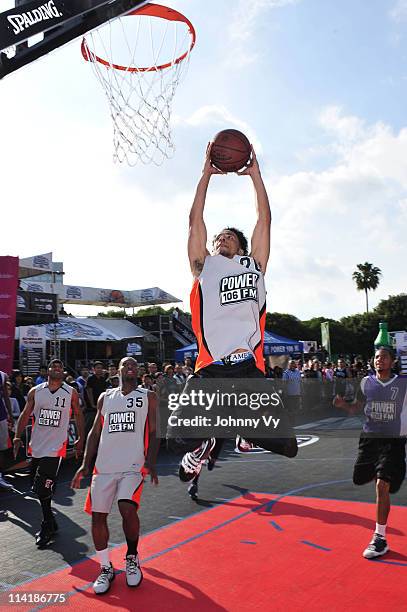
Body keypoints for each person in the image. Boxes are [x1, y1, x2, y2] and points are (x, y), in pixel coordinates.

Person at [167, 142, 297, 498]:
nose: (220, 238)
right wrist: (206, 173)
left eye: (228, 236)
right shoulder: (203, 267)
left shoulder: (255, 265)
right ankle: (203, 444)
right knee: (179, 432)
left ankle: (242, 432)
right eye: (217, 237)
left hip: (247, 369)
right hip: (211, 367)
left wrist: (255, 175)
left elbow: (264, 221)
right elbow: (195, 221)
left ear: (240, 246)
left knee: (289, 447)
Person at [71, 357, 159, 595]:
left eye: (134, 365)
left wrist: (151, 461)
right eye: (126, 365)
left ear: (138, 371)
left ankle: (132, 557)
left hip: (132, 465)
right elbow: (94, 432)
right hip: (104, 467)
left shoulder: (147, 396)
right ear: (118, 370)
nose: (131, 367)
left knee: (126, 508)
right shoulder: (105, 397)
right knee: (98, 517)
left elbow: (153, 430)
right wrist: (84, 464)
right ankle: (105, 567)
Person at [334, 347, 407, 559]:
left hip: (393, 441)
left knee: (381, 485)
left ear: (392, 361)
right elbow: (355, 408)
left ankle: (379, 537)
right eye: (376, 357)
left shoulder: (402, 383)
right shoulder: (366, 382)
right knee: (360, 478)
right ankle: (390, 473)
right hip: (369, 439)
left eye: (384, 357)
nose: (379, 360)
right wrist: (343, 406)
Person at [13, 359, 85, 547]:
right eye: (53, 366)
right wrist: (17, 436)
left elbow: (78, 414)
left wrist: (80, 438)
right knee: (38, 488)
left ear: (63, 372)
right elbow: (25, 414)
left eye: (60, 366)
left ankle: (46, 526)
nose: (57, 369)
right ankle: (51, 521)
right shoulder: (36, 391)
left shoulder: (71, 392)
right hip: (37, 446)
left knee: (43, 487)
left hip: (56, 447)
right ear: (47, 371)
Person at [84, 362, 108, 438]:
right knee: (89, 427)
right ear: (93, 369)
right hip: (91, 408)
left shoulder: (103, 379)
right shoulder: (90, 379)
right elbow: (89, 391)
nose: (99, 369)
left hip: (101, 408)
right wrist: (92, 404)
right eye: (97, 368)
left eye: (101, 368)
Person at [0, 370, 14, 490]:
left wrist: (10, 414)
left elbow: (6, 396)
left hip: (1, 416)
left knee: (1, 449)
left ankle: (0, 476)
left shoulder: (2, 375)